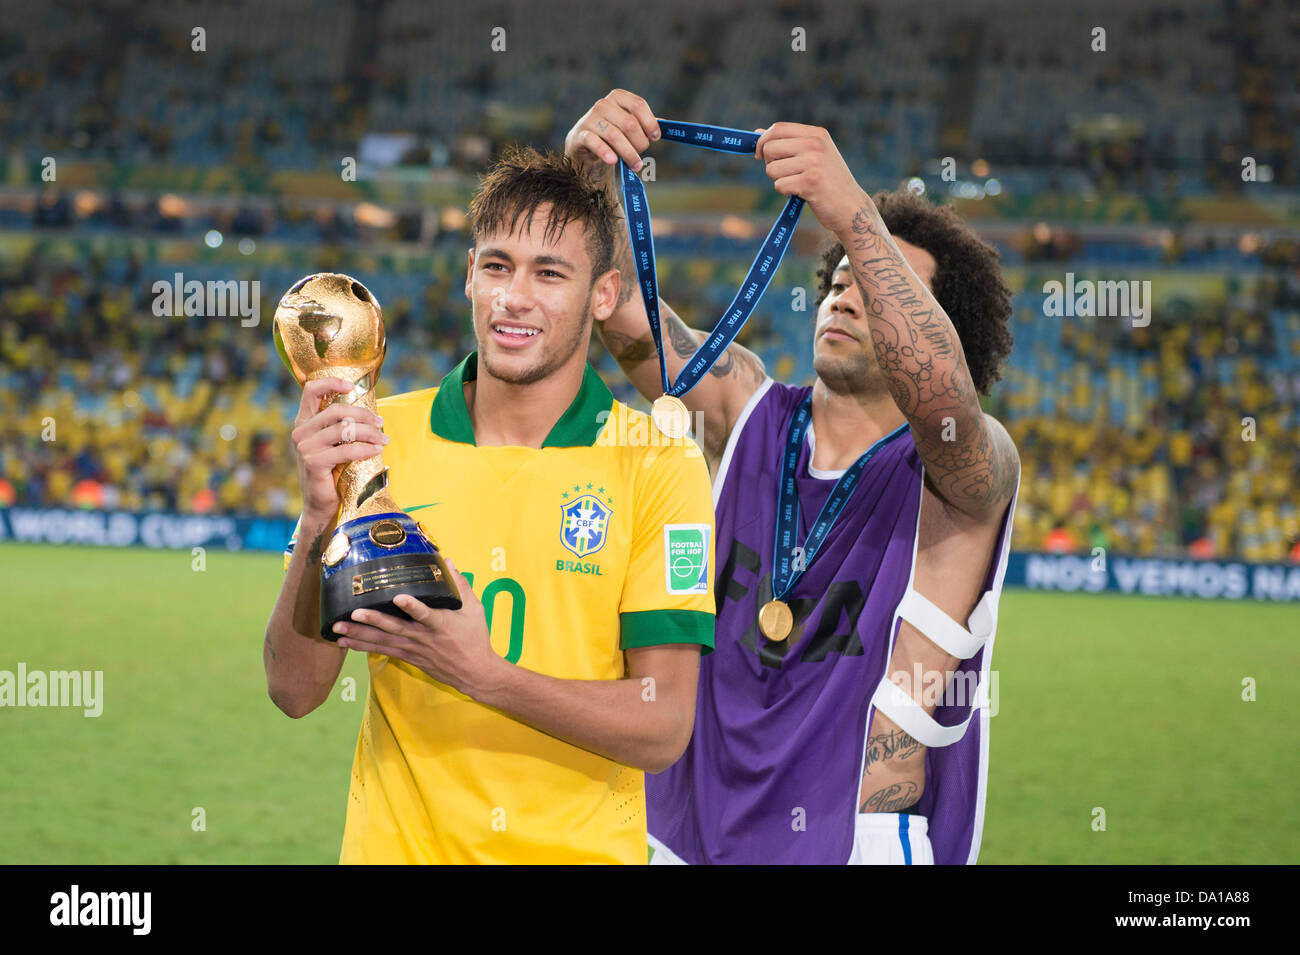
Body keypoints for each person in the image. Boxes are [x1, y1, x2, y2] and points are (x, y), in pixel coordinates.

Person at [565, 91, 1017, 864]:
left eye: (874, 282)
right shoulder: (746, 409)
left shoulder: (964, 470)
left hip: (854, 844)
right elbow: (627, 321)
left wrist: (856, 219)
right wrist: (586, 180)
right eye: (840, 274)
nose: (847, 286)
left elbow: (946, 395)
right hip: (681, 830)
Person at [263, 145, 716, 864]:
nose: (515, 297)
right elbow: (293, 688)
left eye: (550, 273)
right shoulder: (380, 437)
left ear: (604, 294)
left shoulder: (658, 462)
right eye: (498, 266)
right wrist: (321, 518)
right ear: (470, 273)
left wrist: (484, 675)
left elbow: (663, 724)